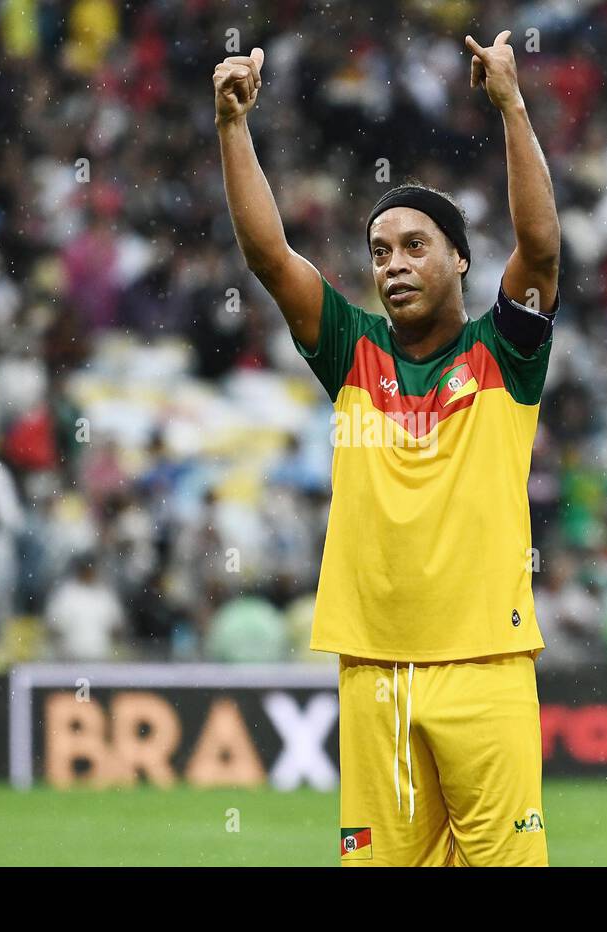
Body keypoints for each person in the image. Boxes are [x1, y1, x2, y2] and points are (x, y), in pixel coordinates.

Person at [215, 29, 560, 866]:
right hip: (376, 672)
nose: (393, 265)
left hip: (487, 662)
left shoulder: (504, 355)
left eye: (414, 247)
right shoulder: (349, 352)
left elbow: (543, 250)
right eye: (379, 252)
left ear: (461, 262)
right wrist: (232, 127)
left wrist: (512, 105)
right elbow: (269, 255)